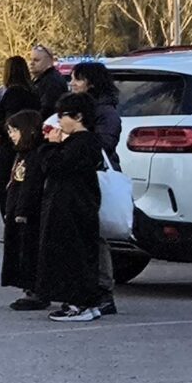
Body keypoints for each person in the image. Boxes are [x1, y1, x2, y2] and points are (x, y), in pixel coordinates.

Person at [32, 94, 111, 322]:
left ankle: (79, 304)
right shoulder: (84, 142)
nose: (59, 121)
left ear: (78, 116)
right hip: (76, 206)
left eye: (62, 116)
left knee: (73, 256)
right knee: (77, 255)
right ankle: (85, 302)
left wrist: (50, 146)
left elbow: (55, 166)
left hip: (73, 208)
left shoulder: (82, 143)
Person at [70, 59, 125, 313]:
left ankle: (103, 291)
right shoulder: (80, 108)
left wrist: (76, 136)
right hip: (78, 176)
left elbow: (103, 145)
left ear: (90, 83)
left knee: (96, 234)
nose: (72, 84)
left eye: (77, 79)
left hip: (96, 176)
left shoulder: (104, 113)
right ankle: (83, 288)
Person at [0, 111, 48, 310]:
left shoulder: (35, 155)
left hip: (28, 214)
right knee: (20, 250)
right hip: (17, 210)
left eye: (14, 130)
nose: (11, 135)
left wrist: (22, 211)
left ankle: (35, 291)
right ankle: (28, 289)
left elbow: (31, 186)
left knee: (29, 252)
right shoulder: (22, 154)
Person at [0, 56, 41, 220]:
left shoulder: (12, 93)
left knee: (6, 184)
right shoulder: (33, 92)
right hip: (30, 144)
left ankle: (10, 219)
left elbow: (10, 121)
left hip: (11, 147)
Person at [31, 44, 69, 111]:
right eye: (31, 59)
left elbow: (47, 109)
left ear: (48, 61)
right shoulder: (42, 79)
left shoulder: (52, 82)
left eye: (36, 60)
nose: (31, 63)